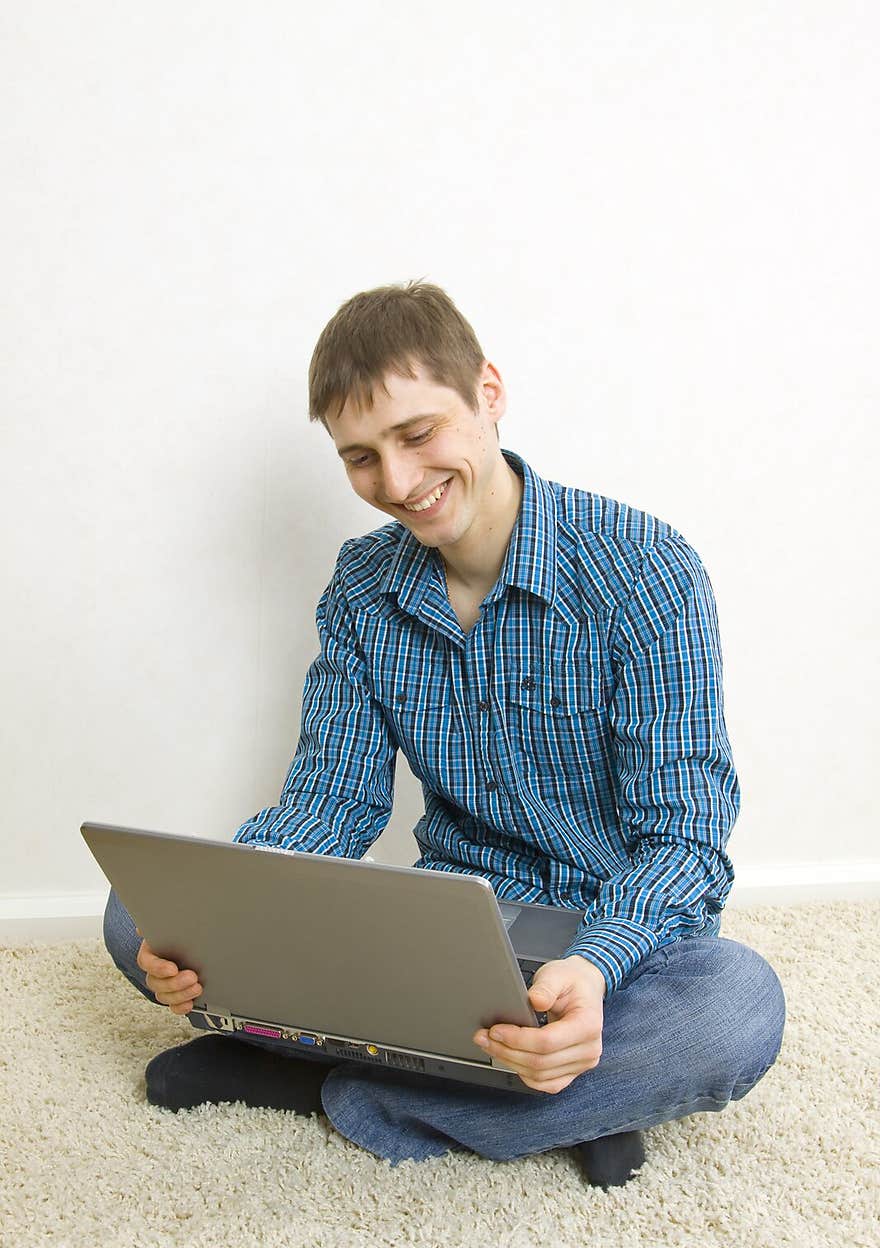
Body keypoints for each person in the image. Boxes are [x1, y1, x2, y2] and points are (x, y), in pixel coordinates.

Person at [103, 279, 786, 1189]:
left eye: (418, 434)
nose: (395, 483)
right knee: (137, 918)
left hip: (607, 947)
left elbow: (687, 839)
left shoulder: (643, 566)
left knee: (734, 1011)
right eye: (359, 457)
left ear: (488, 395)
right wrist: (222, 912)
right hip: (447, 928)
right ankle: (547, 1101)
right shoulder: (361, 588)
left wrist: (595, 966)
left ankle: (340, 1088)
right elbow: (329, 805)